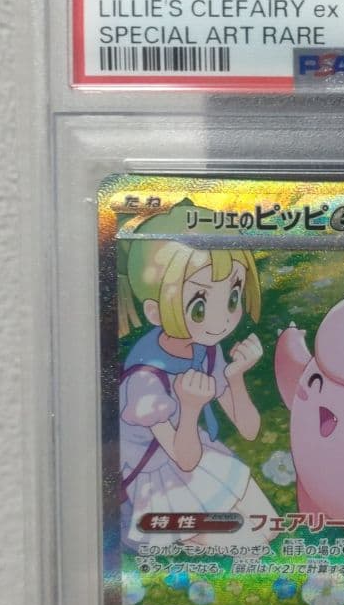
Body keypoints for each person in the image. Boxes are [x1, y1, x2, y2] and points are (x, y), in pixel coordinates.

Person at [118, 204, 275, 550]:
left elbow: (249, 429)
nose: (221, 321)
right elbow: (183, 458)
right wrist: (189, 409)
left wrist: (235, 377)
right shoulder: (145, 379)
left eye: (232, 297)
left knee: (270, 528)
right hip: (159, 475)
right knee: (252, 544)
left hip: (197, 452)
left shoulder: (207, 348)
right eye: (200, 306)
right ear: (155, 312)